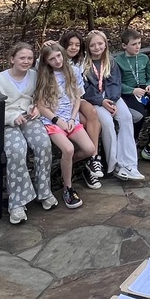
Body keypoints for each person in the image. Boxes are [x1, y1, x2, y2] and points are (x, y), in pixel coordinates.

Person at [0, 42, 56, 225]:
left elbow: (39, 98)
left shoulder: (34, 76)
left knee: (43, 143)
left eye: (29, 58)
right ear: (12, 59)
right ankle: (17, 202)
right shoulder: (0, 81)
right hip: (8, 123)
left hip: (29, 118)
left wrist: (36, 109)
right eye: (22, 58)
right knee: (17, 150)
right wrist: (12, 117)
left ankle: (44, 191)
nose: (26, 61)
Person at [35, 42, 97, 209]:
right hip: (53, 121)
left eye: (59, 56)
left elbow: (77, 98)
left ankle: (65, 168)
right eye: (52, 58)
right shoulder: (44, 76)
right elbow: (41, 106)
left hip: (70, 119)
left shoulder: (73, 71)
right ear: (46, 61)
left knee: (90, 149)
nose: (57, 60)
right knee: (68, 149)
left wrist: (72, 118)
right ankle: (68, 188)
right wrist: (58, 121)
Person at [80, 30, 144, 182]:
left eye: (100, 43)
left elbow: (115, 83)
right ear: (88, 47)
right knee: (107, 123)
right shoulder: (84, 65)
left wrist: (112, 100)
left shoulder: (110, 61)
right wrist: (101, 101)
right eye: (93, 45)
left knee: (126, 118)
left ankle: (128, 163)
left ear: (105, 44)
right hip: (95, 100)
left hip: (112, 97)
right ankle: (113, 164)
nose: (97, 47)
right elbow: (85, 89)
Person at [113, 28, 150, 165]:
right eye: (134, 44)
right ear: (124, 46)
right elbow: (117, 84)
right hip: (129, 93)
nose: (138, 46)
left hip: (145, 90)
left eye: (139, 43)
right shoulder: (118, 61)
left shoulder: (143, 58)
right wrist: (132, 90)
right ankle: (132, 144)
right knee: (138, 115)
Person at [60, 30, 104, 188]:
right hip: (61, 104)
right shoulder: (55, 59)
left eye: (77, 45)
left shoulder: (80, 61)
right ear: (62, 44)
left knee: (92, 113)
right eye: (70, 44)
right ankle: (87, 163)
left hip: (77, 99)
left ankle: (93, 160)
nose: (73, 48)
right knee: (90, 124)